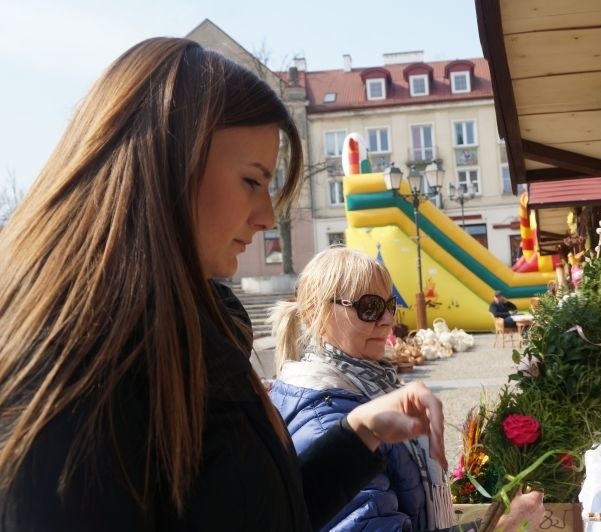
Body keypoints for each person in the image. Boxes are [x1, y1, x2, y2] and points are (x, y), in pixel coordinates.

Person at [0, 37, 446, 531]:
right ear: (168, 165)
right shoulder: (79, 369)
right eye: (252, 181)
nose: (264, 216)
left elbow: (254, 511)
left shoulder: (188, 326)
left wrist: (359, 432)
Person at [269, 247, 544, 531]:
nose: (387, 319)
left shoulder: (365, 387)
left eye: (390, 305)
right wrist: (501, 527)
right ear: (317, 311)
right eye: (369, 307)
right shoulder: (326, 416)